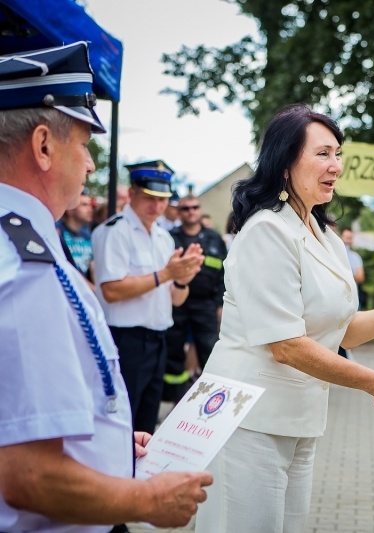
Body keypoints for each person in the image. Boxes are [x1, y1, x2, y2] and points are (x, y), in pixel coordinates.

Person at [0, 41, 211, 533]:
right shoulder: (28, 269)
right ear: (44, 147)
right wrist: (146, 498)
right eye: (85, 143)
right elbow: (29, 475)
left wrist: (110, 450)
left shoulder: (23, 242)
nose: (92, 164)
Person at [195, 104, 374, 533]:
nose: (336, 166)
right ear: (285, 163)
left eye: (338, 154)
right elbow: (285, 344)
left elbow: (341, 330)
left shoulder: (327, 238)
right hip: (249, 421)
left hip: (301, 419)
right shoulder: (267, 231)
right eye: (323, 154)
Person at [92, 160, 205, 434]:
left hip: (158, 340)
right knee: (122, 425)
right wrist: (167, 274)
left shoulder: (163, 237)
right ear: (131, 194)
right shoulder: (113, 231)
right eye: (149, 198)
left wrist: (181, 279)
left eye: (163, 200)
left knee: (146, 425)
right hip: (126, 340)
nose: (157, 206)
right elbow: (112, 290)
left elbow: (176, 300)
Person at [164, 195, 227, 402]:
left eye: (194, 207)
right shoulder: (169, 238)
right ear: (179, 212)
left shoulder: (214, 238)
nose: (190, 211)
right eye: (185, 208)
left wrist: (219, 303)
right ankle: (176, 401)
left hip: (205, 305)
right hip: (177, 304)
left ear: (199, 210)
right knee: (173, 353)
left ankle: (210, 401)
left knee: (210, 353)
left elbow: (224, 273)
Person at [56, 186, 96, 287]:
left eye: (90, 205)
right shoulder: (58, 232)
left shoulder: (87, 234)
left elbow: (93, 266)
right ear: (70, 210)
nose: (90, 209)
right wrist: (91, 289)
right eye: (84, 205)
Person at [338, 227, 364, 359]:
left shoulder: (355, 257)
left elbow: (360, 277)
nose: (348, 240)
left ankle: (347, 355)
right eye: (346, 237)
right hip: (337, 297)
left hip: (352, 296)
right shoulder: (333, 252)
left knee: (351, 326)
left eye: (350, 238)